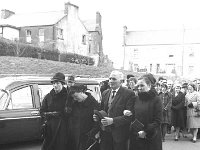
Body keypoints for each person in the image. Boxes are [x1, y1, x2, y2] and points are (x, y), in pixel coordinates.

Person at [94, 70, 136, 150]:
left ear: (122, 81)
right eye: (110, 79)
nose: (110, 81)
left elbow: (129, 117)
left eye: (114, 79)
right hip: (105, 133)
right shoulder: (105, 93)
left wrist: (113, 120)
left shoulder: (128, 93)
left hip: (120, 135)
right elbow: (103, 111)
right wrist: (98, 117)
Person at [127, 73, 162, 150]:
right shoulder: (136, 98)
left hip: (151, 137)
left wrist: (145, 131)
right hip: (136, 136)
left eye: (142, 85)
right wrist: (129, 113)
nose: (139, 88)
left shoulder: (156, 99)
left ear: (149, 86)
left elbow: (158, 121)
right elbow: (134, 115)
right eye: (138, 86)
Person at [40, 72, 69, 150]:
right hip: (50, 128)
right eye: (53, 83)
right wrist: (51, 114)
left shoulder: (68, 97)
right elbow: (42, 111)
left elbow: (70, 113)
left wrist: (60, 114)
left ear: (62, 84)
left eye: (58, 83)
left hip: (63, 129)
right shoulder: (48, 97)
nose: (55, 85)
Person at [67, 84, 100, 150]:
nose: (74, 99)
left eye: (76, 96)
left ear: (82, 92)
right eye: (73, 97)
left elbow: (97, 123)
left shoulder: (94, 104)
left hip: (87, 138)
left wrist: (90, 135)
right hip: (75, 137)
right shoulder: (75, 104)